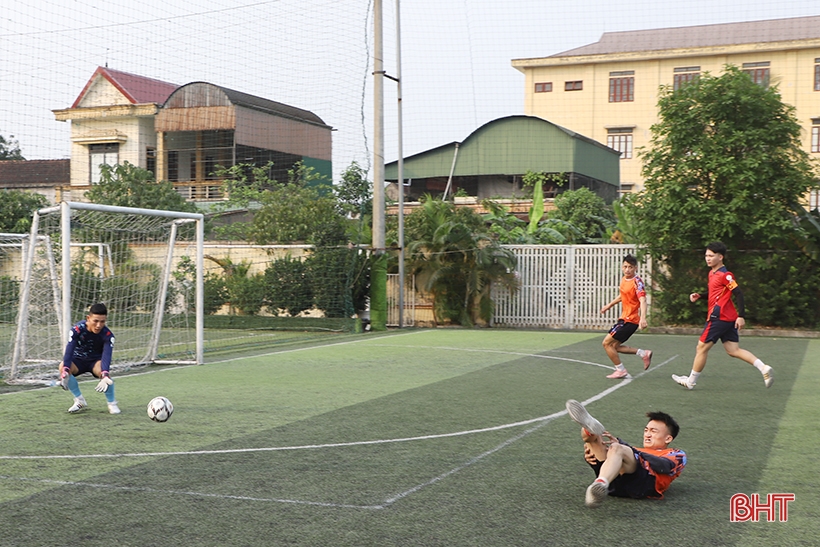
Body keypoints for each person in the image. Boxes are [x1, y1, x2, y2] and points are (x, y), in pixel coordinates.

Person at [671, 242, 773, 390]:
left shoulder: (726, 275)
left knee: (701, 348)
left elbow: (738, 293)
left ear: (720, 257)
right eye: (706, 255)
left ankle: (691, 381)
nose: (708, 258)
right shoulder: (712, 273)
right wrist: (700, 296)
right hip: (727, 318)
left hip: (719, 318)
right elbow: (715, 294)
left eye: (711, 256)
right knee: (733, 350)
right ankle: (763, 368)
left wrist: (741, 316)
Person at [565, 399, 686, 508]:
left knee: (617, 448)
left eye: (653, 431)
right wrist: (592, 457)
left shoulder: (676, 453)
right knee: (597, 442)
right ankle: (589, 430)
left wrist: (625, 448)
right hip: (614, 485)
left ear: (668, 439)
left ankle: (600, 483)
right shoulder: (633, 450)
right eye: (646, 430)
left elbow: (664, 466)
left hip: (642, 486)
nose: (648, 434)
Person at [58, 303, 120, 414]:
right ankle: (79, 400)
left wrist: (105, 374)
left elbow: (107, 355)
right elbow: (69, 350)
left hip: (95, 362)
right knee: (62, 366)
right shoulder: (77, 330)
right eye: (95, 321)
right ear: (88, 318)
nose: (98, 325)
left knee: (105, 374)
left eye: (102, 322)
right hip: (78, 361)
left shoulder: (108, 335)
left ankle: (112, 403)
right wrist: (66, 370)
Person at [599, 254, 652, 379]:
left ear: (636, 268)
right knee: (615, 347)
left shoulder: (637, 282)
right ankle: (643, 353)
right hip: (624, 318)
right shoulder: (624, 279)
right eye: (625, 267)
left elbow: (643, 300)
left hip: (631, 320)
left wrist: (643, 318)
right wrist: (609, 305)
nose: (627, 269)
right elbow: (622, 296)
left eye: (630, 267)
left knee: (606, 343)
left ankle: (621, 370)